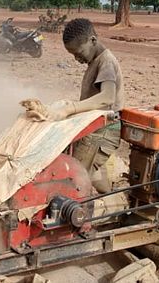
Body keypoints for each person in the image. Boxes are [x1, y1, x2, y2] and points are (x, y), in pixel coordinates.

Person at [45, 18, 126, 193]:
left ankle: (82, 212)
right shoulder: (95, 61)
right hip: (94, 127)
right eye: (72, 55)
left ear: (93, 41)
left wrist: (71, 108)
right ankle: (113, 202)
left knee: (75, 175)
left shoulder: (106, 62)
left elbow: (107, 96)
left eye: (79, 52)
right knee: (92, 170)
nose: (76, 58)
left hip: (104, 131)